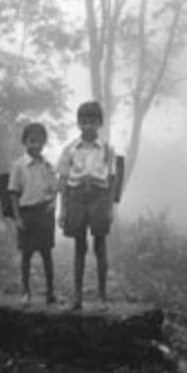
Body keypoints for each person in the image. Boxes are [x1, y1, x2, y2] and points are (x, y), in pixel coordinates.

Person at [57, 101, 116, 311]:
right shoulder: (69, 149)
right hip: (76, 197)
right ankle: (78, 296)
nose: (88, 126)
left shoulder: (107, 149)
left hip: (99, 197)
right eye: (84, 122)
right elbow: (63, 181)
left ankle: (102, 296)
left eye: (92, 121)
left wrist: (110, 208)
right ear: (78, 123)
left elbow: (111, 181)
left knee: (100, 245)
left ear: (99, 123)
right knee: (79, 246)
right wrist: (62, 209)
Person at [8, 122, 59, 306]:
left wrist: (53, 205)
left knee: (47, 254)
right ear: (25, 142)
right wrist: (18, 218)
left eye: (39, 141)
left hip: (44, 213)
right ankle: (25, 292)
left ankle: (50, 292)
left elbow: (55, 190)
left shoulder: (48, 165)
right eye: (31, 141)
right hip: (27, 213)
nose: (35, 145)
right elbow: (13, 193)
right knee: (26, 255)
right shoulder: (19, 165)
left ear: (44, 143)